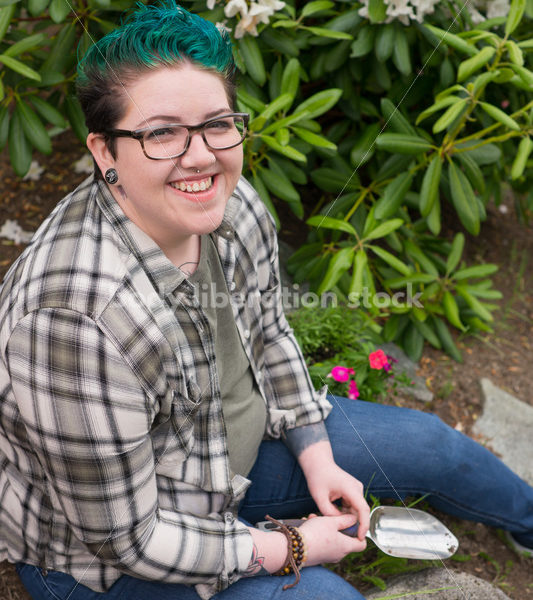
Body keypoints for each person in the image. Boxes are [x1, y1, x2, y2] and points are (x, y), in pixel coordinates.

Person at [0, 3, 531, 599]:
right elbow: (126, 538)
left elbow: (269, 331)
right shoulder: (72, 323)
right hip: (101, 560)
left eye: (217, 124)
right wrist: (291, 547)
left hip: (229, 457)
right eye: (162, 133)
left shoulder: (229, 201)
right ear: (105, 152)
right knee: (328, 596)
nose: (200, 155)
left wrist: (316, 455)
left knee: (432, 445)